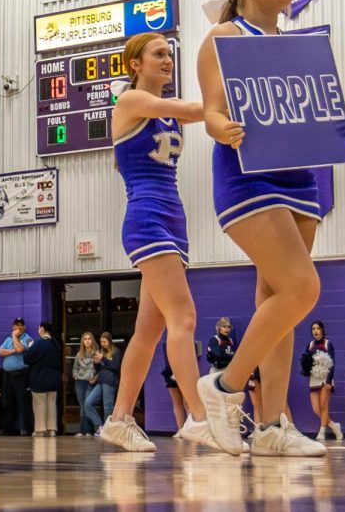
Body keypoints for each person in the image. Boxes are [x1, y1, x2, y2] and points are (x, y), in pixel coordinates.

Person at [195, 0, 345, 458]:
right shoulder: (224, 37)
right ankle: (223, 387)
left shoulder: (296, 45)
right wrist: (227, 129)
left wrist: (335, 129)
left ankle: (269, 427)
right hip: (248, 177)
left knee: (277, 304)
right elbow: (212, 112)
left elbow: (303, 111)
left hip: (300, 177)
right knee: (302, 288)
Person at [99, 33, 217, 453]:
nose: (168, 60)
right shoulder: (131, 101)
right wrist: (237, 93)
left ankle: (118, 419)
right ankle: (200, 418)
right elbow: (197, 110)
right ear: (135, 63)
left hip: (173, 216)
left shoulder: (165, 113)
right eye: (159, 54)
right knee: (183, 319)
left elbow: (202, 116)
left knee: (147, 333)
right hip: (147, 216)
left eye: (170, 54)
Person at [300, 320, 341, 441]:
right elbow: (306, 361)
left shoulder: (328, 344)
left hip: (325, 378)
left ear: (322, 330)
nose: (315, 331)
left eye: (317, 328)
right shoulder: (310, 344)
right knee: (315, 408)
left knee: (324, 405)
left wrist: (329, 381)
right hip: (314, 378)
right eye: (313, 329)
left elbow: (332, 363)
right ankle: (333, 426)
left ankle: (322, 431)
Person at [24, 322, 63, 437]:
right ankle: (52, 429)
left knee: (39, 403)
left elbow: (26, 358)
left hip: (39, 377)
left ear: (42, 329)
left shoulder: (38, 343)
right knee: (51, 403)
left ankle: (40, 429)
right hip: (54, 378)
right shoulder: (56, 344)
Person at [0, 318, 35, 436]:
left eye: (20, 325)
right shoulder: (7, 339)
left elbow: (21, 349)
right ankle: (7, 428)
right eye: (16, 325)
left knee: (23, 402)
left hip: (20, 374)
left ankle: (26, 428)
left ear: (24, 327)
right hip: (7, 375)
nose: (18, 328)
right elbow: (0, 352)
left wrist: (15, 338)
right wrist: (13, 350)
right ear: (12, 326)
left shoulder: (28, 339)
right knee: (7, 402)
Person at [83, 332, 120, 433]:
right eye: (101, 342)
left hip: (110, 381)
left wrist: (103, 359)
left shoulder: (116, 351)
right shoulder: (100, 352)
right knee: (88, 403)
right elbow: (99, 368)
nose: (102, 344)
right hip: (100, 381)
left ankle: (109, 430)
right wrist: (96, 363)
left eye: (104, 342)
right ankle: (100, 426)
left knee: (108, 406)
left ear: (109, 341)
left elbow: (115, 366)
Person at [71, 332, 97, 436]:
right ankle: (83, 430)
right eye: (85, 339)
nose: (87, 340)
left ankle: (89, 430)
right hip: (80, 382)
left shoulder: (96, 353)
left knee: (88, 404)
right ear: (82, 341)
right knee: (82, 405)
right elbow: (75, 368)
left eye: (89, 338)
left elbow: (99, 368)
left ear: (92, 340)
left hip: (90, 382)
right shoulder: (79, 354)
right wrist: (75, 375)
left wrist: (95, 377)